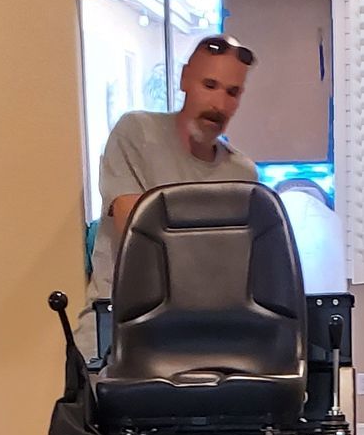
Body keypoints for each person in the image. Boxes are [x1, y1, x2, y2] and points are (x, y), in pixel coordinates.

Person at [80, 34, 260, 354]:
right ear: (184, 80)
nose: (219, 104)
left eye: (232, 92)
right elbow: (142, 241)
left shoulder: (243, 174)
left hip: (200, 334)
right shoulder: (135, 133)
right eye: (209, 85)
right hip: (118, 332)